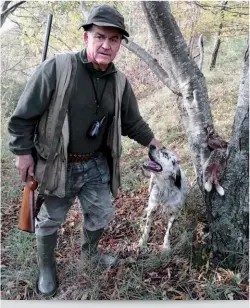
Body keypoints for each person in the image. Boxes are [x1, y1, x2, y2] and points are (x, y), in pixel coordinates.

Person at [8, 4, 175, 297]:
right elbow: (23, 117)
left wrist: (157, 146)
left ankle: (91, 252)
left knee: (102, 212)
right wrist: (23, 153)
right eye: (100, 36)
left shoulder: (120, 82)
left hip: (96, 162)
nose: (106, 45)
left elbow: (133, 122)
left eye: (114, 40)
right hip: (57, 164)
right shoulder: (57, 69)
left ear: (120, 45)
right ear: (87, 37)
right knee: (50, 221)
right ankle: (47, 269)